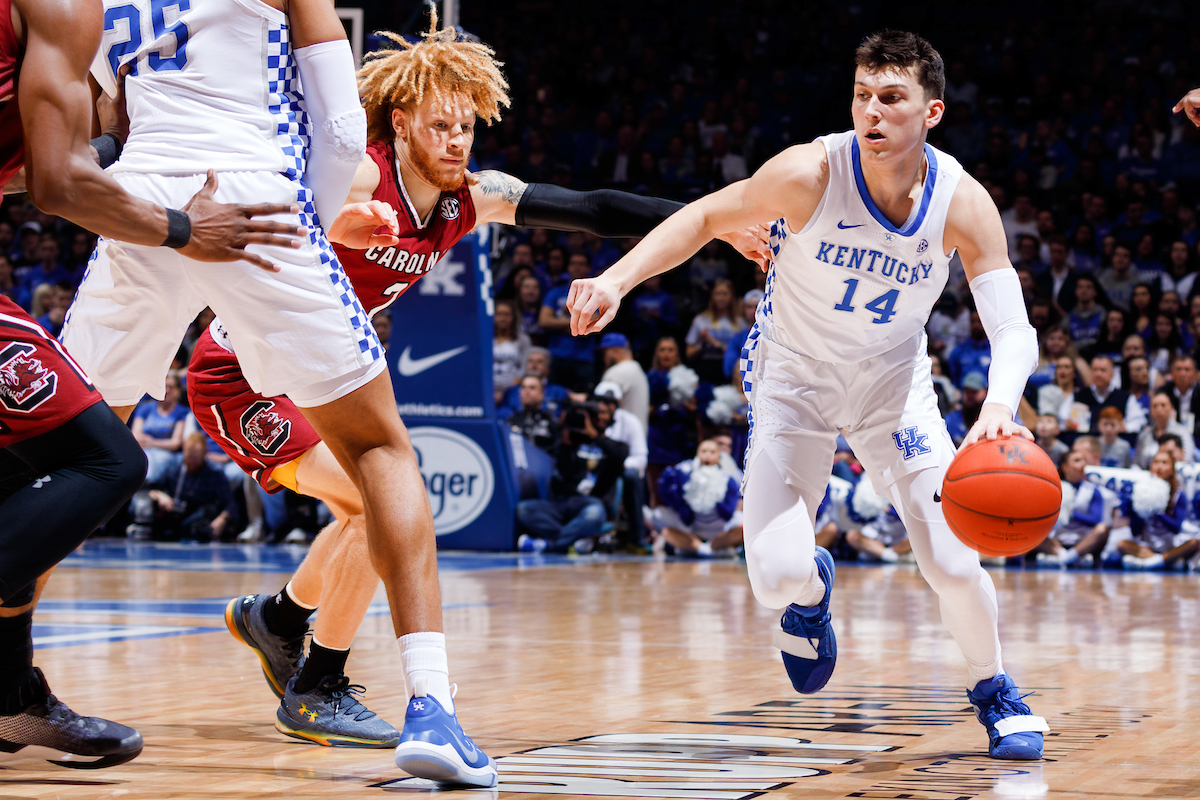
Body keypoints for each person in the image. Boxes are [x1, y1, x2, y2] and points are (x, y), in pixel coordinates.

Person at [180, 9, 766, 779]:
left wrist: (711, 223)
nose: (457, 141)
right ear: (400, 122)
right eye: (440, 126)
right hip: (241, 372)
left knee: (367, 500)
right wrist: (338, 224)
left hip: (312, 371)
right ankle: (315, 682)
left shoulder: (471, 197)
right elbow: (282, 209)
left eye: (467, 127)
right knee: (371, 500)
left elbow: (590, 208)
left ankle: (281, 618)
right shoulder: (360, 173)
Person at [567, 31, 1049, 759]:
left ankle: (998, 694)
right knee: (775, 577)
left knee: (952, 561)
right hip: (793, 378)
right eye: (862, 97)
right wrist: (614, 280)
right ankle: (810, 596)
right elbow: (703, 217)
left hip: (893, 386)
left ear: (933, 112)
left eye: (892, 99)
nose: (873, 113)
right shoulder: (808, 173)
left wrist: (999, 407)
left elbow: (1014, 330)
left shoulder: (963, 203)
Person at [0, 0, 301, 767]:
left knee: (26, 467)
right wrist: (182, 228)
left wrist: (109, 140)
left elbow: (40, 167)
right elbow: (55, 184)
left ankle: (10, 700)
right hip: (166, 211)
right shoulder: (63, 12)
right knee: (104, 460)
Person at [515, 400, 629, 554]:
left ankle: (549, 545)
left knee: (593, 515)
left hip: (592, 503)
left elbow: (619, 457)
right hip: (564, 503)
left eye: (602, 414)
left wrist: (594, 435)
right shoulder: (571, 442)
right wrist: (565, 442)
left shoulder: (616, 446)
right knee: (524, 510)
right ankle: (574, 541)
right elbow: (562, 472)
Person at [652, 439, 742, 557]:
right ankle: (703, 548)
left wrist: (715, 496)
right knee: (659, 515)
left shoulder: (728, 479)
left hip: (720, 528)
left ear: (718, 457)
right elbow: (686, 517)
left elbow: (728, 513)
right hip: (694, 528)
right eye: (704, 451)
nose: (707, 456)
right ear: (698, 455)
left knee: (744, 522)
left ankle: (705, 547)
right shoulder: (687, 477)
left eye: (712, 452)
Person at [1118, 450, 1198, 570]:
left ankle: (1150, 561)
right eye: (1156, 462)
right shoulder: (1141, 490)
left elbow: (1177, 527)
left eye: (1165, 463)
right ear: (1150, 467)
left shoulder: (1178, 495)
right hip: (1147, 544)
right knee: (1122, 544)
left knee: (1194, 543)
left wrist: (1159, 512)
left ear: (1172, 468)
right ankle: (1163, 561)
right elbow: (1135, 531)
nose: (1159, 466)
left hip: (1170, 545)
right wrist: (1133, 511)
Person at [1030, 450, 1111, 567]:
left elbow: (1096, 519)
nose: (1083, 464)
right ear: (1065, 467)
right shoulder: (1053, 488)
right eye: (1077, 461)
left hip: (1082, 541)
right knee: (1032, 527)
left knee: (1102, 528)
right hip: (1057, 540)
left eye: (1084, 460)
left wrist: (1070, 513)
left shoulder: (1093, 490)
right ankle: (1061, 554)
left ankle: (1069, 556)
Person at [131, 374, 189, 484]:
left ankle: (145, 485)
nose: (166, 390)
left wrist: (152, 443)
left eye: (171, 387)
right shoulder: (145, 408)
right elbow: (135, 435)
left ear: (178, 391)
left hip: (166, 454)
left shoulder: (182, 413)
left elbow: (175, 443)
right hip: (143, 449)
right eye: (164, 386)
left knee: (158, 460)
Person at [598, 332, 650, 430]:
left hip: (620, 438)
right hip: (638, 437)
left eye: (605, 353)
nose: (603, 358)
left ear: (616, 352)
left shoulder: (615, 372)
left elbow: (602, 410)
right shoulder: (638, 370)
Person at [1135, 393, 1193, 467]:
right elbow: (1136, 463)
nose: (1159, 409)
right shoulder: (1144, 435)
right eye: (1155, 406)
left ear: (1171, 408)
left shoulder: (1183, 432)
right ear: (1150, 410)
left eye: (1163, 405)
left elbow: (1187, 459)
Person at [507, 375, 560, 455]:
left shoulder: (551, 423)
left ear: (542, 394)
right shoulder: (511, 421)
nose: (526, 391)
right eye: (523, 387)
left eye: (532, 388)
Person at [492, 300, 529, 404]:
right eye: (499, 314)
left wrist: (512, 386)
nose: (503, 318)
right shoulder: (485, 338)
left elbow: (524, 366)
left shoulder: (522, 339)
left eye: (507, 314)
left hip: (512, 388)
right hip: (487, 387)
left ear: (513, 317)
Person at [944, 371, 987, 447]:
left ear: (986, 392)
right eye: (967, 391)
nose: (970, 395)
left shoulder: (992, 419)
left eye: (974, 391)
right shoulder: (951, 420)